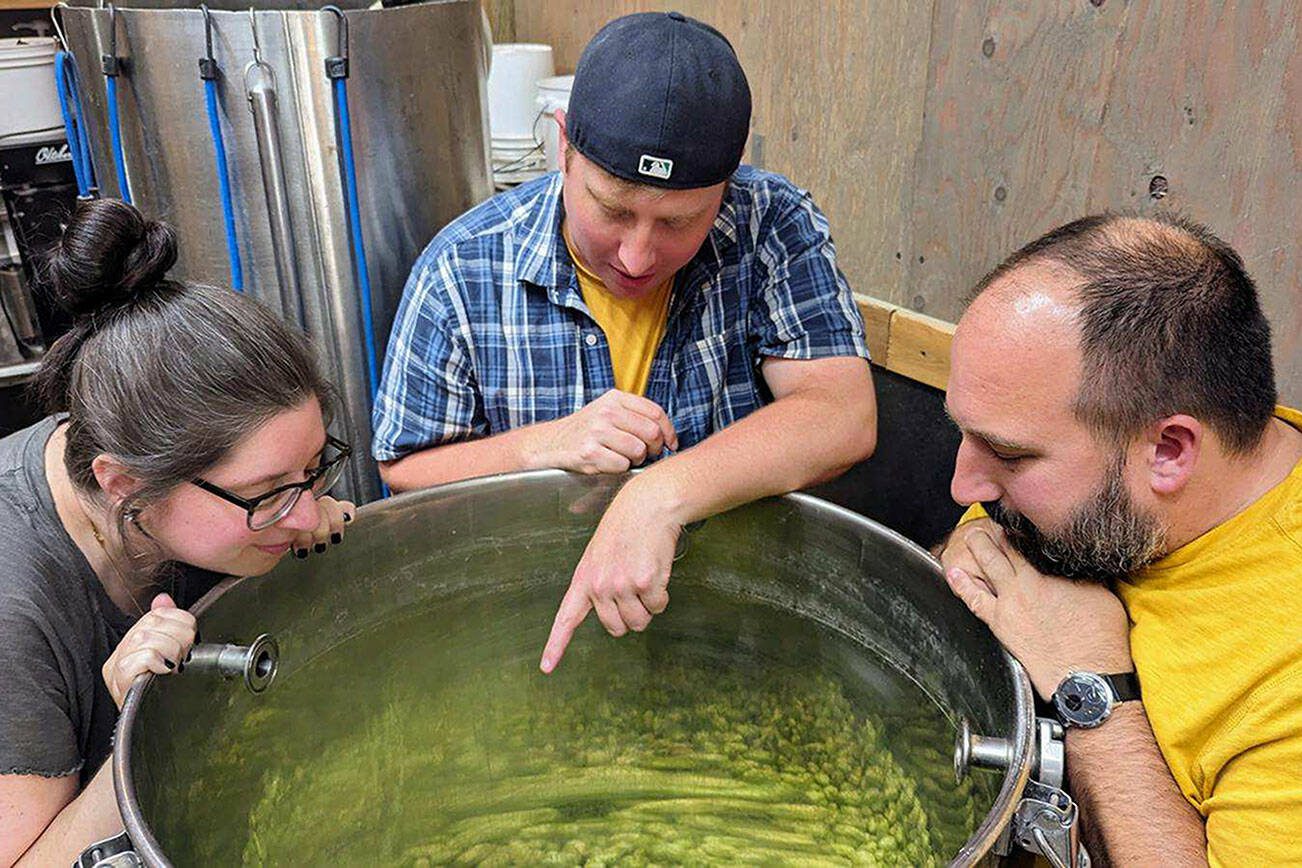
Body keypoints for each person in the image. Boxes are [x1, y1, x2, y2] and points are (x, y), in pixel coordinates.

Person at [372, 12, 877, 672]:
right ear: (564, 150)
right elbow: (404, 471)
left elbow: (842, 416)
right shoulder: (462, 268)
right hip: (538, 618)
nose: (638, 256)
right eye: (611, 209)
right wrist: (538, 445)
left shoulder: (771, 222)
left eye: (678, 222)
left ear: (727, 189)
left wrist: (655, 494)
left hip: (735, 616)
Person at [937, 213, 1301, 865]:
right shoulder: (1095, 466)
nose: (965, 488)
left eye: (1008, 455)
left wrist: (1094, 690)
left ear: (1168, 450)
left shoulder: (1284, 675)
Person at [0, 199, 356, 866]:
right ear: (123, 484)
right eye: (265, 494)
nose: (307, 512)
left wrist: (295, 510)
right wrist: (135, 730)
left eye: (313, 469)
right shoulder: (14, 609)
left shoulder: (160, 467)